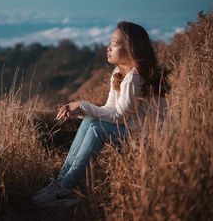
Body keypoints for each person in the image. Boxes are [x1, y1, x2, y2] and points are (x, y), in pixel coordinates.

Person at [32, 21, 170, 207]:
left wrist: (83, 104)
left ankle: (65, 187)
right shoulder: (119, 73)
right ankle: (61, 182)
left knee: (97, 128)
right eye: (110, 42)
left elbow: (119, 118)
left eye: (114, 43)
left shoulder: (134, 78)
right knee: (89, 122)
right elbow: (108, 110)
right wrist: (82, 111)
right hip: (131, 132)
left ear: (131, 49)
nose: (108, 47)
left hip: (148, 141)